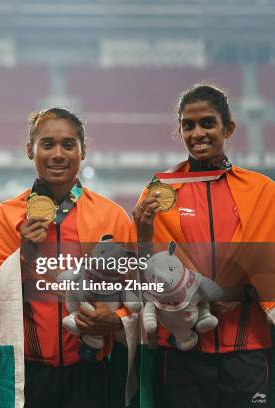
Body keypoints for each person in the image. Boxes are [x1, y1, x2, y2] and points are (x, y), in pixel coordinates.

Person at [0, 107, 138, 408]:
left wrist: (116, 321)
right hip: (29, 373)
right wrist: (24, 256)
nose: (58, 154)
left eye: (68, 145)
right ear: (30, 150)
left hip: (94, 370)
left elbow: (138, 291)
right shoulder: (5, 216)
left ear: (83, 150)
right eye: (47, 144)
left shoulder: (111, 215)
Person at [133, 84, 275, 408]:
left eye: (208, 123)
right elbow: (146, 270)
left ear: (229, 128)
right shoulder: (158, 192)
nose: (198, 133)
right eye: (188, 125)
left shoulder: (263, 191)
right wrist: (142, 235)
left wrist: (240, 291)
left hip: (247, 349)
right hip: (184, 352)